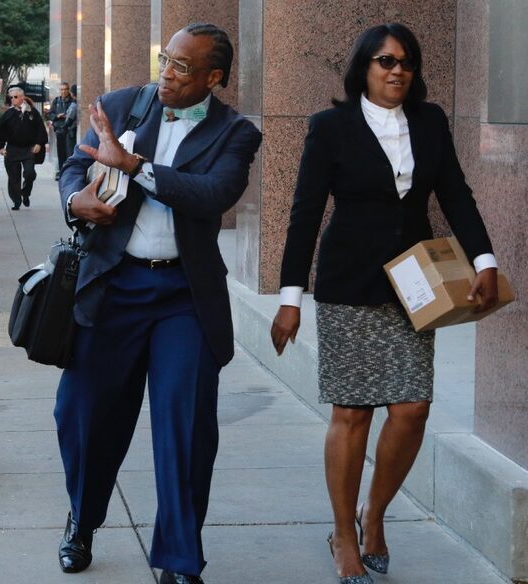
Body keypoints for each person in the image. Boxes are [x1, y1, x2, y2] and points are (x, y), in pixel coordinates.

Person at [270, 23, 499, 584]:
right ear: (363, 68)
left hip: (414, 284)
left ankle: (375, 513)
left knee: (412, 408)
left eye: (407, 63)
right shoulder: (330, 127)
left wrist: (486, 261)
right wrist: (290, 298)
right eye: (385, 61)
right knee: (352, 413)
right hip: (348, 284)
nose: (397, 70)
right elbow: (303, 213)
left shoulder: (430, 121)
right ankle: (344, 533)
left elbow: (455, 194)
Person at [55, 23, 261, 584]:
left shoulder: (235, 133)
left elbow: (213, 196)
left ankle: (179, 558)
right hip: (113, 286)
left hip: (183, 298)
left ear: (214, 78)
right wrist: (77, 200)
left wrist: (135, 167)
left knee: (184, 426)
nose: (167, 74)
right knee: (82, 413)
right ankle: (83, 518)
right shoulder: (124, 105)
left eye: (182, 67)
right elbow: (75, 164)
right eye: (165, 60)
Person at [0, 87, 48, 210]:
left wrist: (38, 144)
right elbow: (0, 131)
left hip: (28, 149)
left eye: (15, 97)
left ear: (22, 97)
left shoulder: (32, 112)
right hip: (12, 149)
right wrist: (1, 148)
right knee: (13, 177)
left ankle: (26, 193)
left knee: (30, 173)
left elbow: (40, 129)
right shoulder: (8, 114)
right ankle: (16, 200)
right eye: (11, 97)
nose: (13, 99)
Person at [47, 82, 77, 177]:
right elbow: (49, 114)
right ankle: (61, 172)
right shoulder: (56, 101)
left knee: (69, 152)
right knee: (61, 153)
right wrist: (57, 116)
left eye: (65, 89)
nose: (64, 91)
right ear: (59, 90)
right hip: (59, 130)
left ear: (68, 90)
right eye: (62, 89)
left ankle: (69, 172)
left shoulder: (73, 101)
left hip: (69, 131)